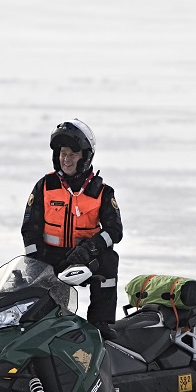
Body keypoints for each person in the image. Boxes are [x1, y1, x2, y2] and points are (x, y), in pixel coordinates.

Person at [21, 119, 123, 330]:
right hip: (49, 257)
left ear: (85, 157)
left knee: (109, 260)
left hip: (84, 257)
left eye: (72, 154)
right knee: (21, 278)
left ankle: (100, 324)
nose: (66, 159)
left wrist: (90, 248)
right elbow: (29, 228)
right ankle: (36, 326)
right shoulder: (45, 186)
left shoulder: (103, 192)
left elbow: (115, 231)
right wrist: (35, 261)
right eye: (63, 153)